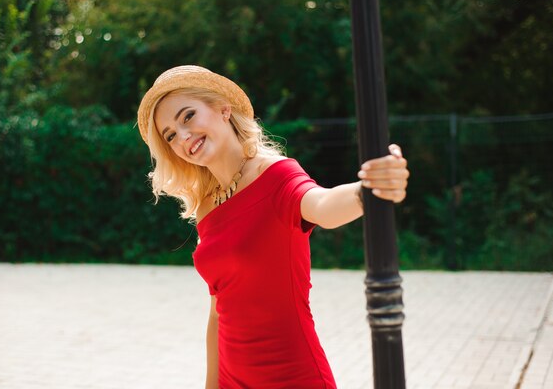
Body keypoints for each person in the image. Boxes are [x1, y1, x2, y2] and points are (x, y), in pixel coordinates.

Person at [137, 65, 409, 388]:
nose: (182, 136)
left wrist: (368, 191)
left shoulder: (275, 174)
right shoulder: (207, 205)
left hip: (292, 376)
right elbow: (217, 312)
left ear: (223, 109)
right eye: (170, 135)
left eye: (187, 116)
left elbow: (322, 205)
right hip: (231, 380)